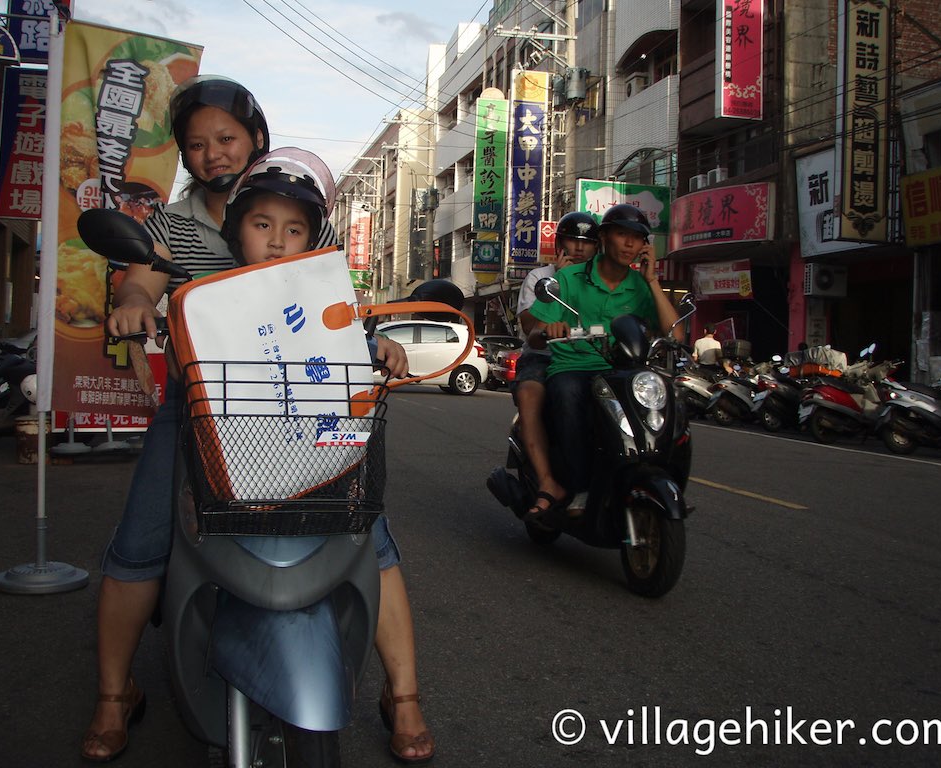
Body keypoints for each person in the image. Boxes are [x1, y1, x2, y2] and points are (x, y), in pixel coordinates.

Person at [83, 77, 433, 764]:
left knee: (372, 534)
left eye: (227, 139)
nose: (213, 153)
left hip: (303, 404)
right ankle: (112, 692)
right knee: (139, 546)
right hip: (201, 405)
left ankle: (405, 692)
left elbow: (334, 303)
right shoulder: (175, 222)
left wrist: (373, 340)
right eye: (197, 145)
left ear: (256, 139)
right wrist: (131, 302)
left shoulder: (308, 213)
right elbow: (141, 279)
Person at [527, 203, 684, 509]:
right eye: (622, 235)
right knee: (567, 392)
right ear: (604, 238)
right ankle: (578, 486)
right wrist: (549, 328)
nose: (629, 244)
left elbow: (675, 335)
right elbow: (534, 333)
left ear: (645, 246)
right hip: (574, 367)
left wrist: (652, 280)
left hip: (624, 371)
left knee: (666, 397)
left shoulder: (641, 287)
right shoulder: (569, 278)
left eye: (637, 238)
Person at [511, 212, 599, 522]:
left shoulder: (600, 281)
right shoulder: (540, 278)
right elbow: (530, 328)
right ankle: (548, 481)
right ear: (560, 243)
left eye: (587, 243)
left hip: (591, 357)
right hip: (545, 357)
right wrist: (560, 282)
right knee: (529, 394)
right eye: (573, 241)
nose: (579, 248)